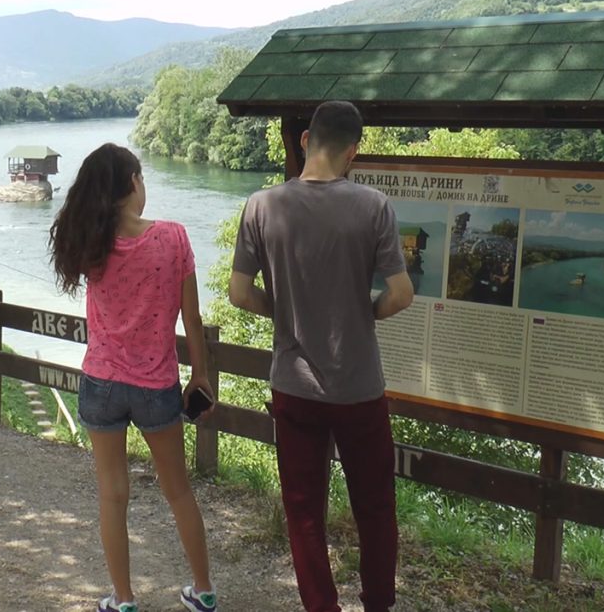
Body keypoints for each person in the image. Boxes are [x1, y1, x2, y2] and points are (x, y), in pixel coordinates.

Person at [228, 101, 414, 612]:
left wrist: (284, 311)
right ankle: (378, 603)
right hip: (359, 388)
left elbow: (239, 293)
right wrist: (366, 312)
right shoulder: (374, 207)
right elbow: (401, 294)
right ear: (353, 151)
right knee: (375, 508)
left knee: (305, 511)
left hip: (293, 387)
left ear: (306, 140)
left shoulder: (261, 206)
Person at [49, 143, 217, 612]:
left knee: (112, 494)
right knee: (178, 490)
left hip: (101, 382)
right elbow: (193, 320)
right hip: (156, 384)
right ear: (132, 184)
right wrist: (200, 375)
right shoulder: (174, 238)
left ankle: (123, 599)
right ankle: (203, 591)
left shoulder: (91, 243)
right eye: (141, 177)